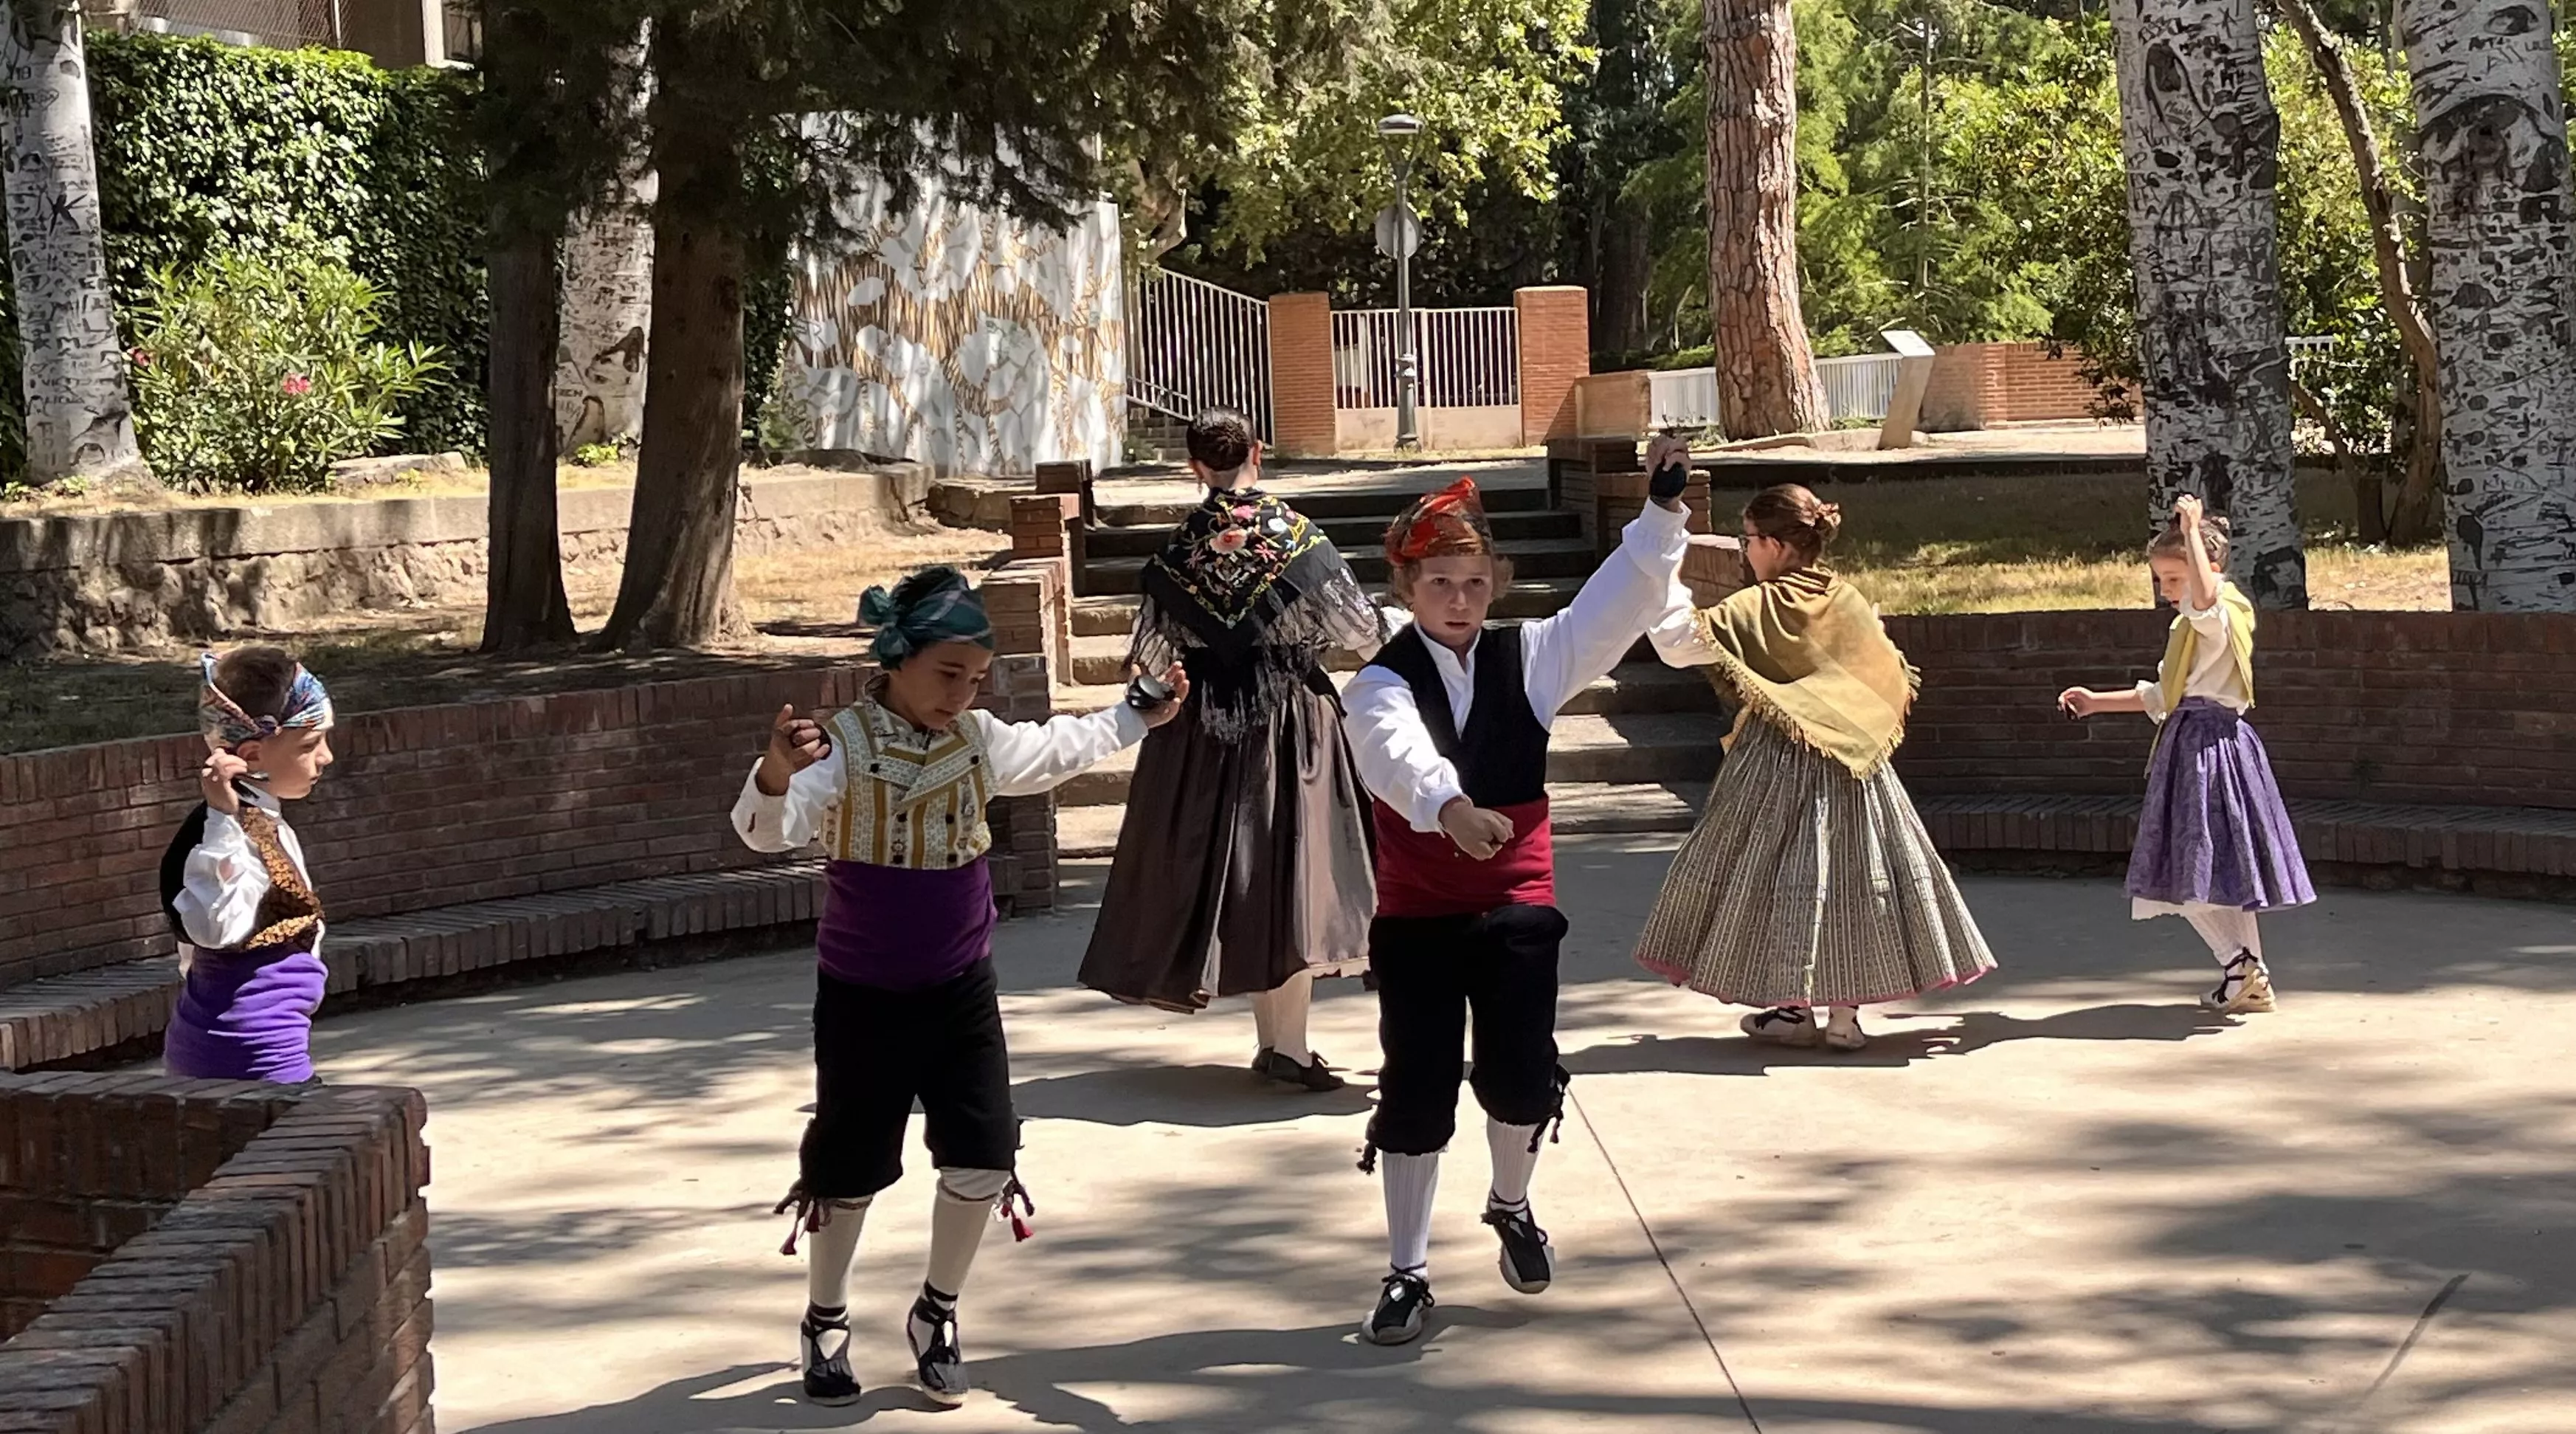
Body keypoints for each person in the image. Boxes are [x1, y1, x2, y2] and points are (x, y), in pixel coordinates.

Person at [732, 566, 1189, 1407]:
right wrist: (769, 773)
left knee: (983, 1154)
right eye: (947, 673)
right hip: (863, 991)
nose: (962, 691)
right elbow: (768, 832)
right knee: (849, 1166)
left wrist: (1135, 710)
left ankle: (937, 1310)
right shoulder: (838, 748)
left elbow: (1058, 748)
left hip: (960, 986)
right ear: (896, 658)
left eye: (974, 678)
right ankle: (825, 1320)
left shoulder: (979, 739)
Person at [1340, 446, 1693, 1346]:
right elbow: (1391, 752)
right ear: (1405, 584)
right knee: (1416, 1088)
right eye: (1438, 582)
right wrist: (1446, 806)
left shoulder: (1531, 654)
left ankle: (1509, 1202)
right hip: (1418, 906)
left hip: (1517, 897)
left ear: (1494, 581)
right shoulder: (1379, 679)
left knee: (1520, 1074)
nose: (1458, 599)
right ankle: (1407, 1269)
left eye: (1472, 580)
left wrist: (1659, 512)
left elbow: (1616, 604)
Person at [1080, 407, 1381, 1092]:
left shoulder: (1175, 551)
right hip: (1292, 721)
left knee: (1243, 884)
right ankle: (1288, 1046)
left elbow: (1151, 657)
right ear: (1258, 452)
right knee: (1296, 878)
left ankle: (1278, 1044)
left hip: (1200, 733)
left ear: (1193, 465)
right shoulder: (1299, 539)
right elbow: (1361, 630)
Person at [1634, 483, 1996, 1051]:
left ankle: (1792, 1008)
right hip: (1857, 762)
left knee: (1782, 880)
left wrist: (1661, 582)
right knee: (1854, 879)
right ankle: (1843, 1016)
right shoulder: (1844, 598)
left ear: (1776, 544)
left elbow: (1677, 644)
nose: (1745, 551)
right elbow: (1887, 670)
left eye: (1748, 540)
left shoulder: (1763, 605)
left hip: (1780, 761)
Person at [2056, 494, 2313, 1013]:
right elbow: (2162, 694)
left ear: (2206, 569)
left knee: (2186, 865)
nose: (2166, 591)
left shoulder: (2220, 615)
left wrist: (2191, 530)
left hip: (2205, 752)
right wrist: (2095, 703)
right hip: (2201, 744)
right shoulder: (2192, 629)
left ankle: (2239, 965)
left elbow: (2205, 600)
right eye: (2160, 581)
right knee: (2220, 872)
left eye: (2173, 579)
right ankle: (2246, 977)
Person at [161, 647, 339, 1085]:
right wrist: (222, 820)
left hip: (249, 1044)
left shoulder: (257, 818)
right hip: (245, 1053)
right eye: (311, 743)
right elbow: (214, 928)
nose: (326, 757)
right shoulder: (223, 832)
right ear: (254, 754)